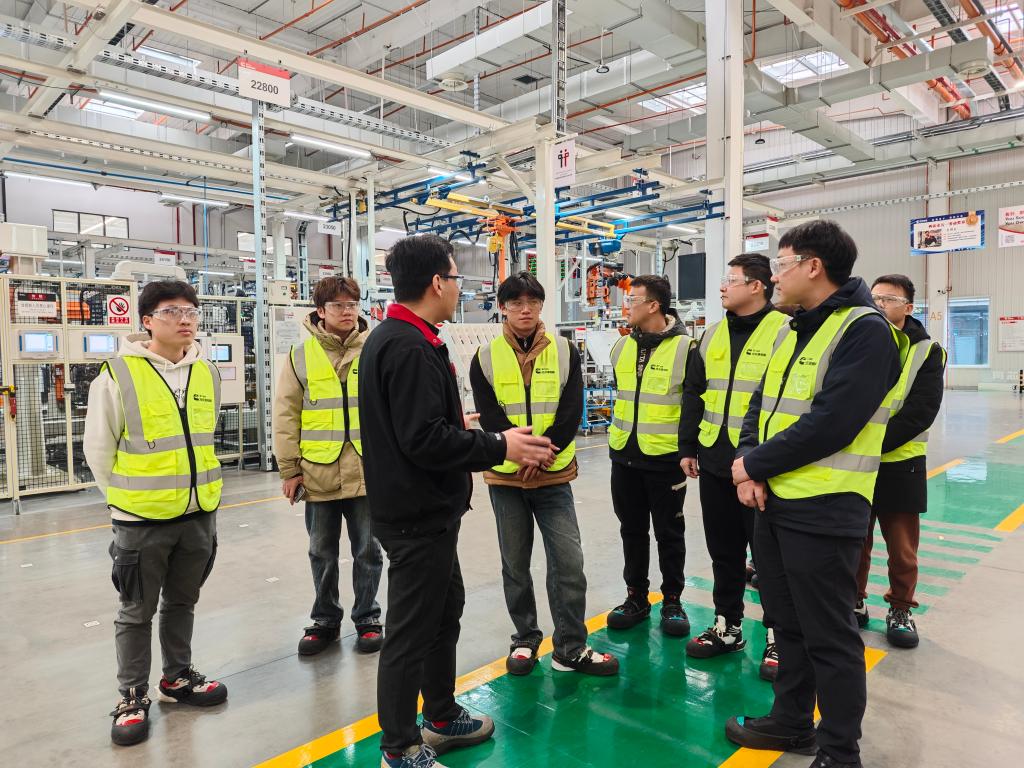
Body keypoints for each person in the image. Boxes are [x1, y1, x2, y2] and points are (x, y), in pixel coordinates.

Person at [358, 235, 554, 768]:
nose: (459, 287)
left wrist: (456, 424)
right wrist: (498, 444)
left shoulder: (405, 337)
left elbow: (412, 426)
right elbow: (422, 440)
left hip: (428, 511)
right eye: (455, 277)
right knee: (410, 633)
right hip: (416, 516)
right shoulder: (408, 346)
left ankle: (440, 714)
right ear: (436, 283)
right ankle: (400, 747)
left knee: (444, 614)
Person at [724, 220, 905, 768]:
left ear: (813, 266)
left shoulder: (865, 331)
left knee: (830, 634)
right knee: (786, 622)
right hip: (774, 501)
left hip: (826, 506)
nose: (775, 277)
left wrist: (753, 464)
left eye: (781, 265)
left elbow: (833, 423)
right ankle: (792, 722)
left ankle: (840, 751)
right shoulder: (790, 327)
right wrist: (750, 468)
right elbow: (760, 405)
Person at [85, 280, 227, 747]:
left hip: (198, 513)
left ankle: (177, 677)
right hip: (141, 519)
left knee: (182, 601)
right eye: (171, 311)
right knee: (136, 610)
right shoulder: (117, 374)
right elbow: (98, 449)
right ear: (147, 321)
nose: (185, 319)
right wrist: (125, 500)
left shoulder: (206, 371)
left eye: (191, 311)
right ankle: (131, 695)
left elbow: (203, 437)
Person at [469, 271, 619, 677]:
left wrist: (539, 455)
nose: (525, 310)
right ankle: (524, 638)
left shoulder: (565, 351)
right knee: (515, 564)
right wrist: (521, 455)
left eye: (533, 303)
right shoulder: (484, 357)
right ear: (502, 307)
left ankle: (570, 646)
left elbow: (570, 411)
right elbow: (490, 416)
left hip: (553, 475)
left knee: (568, 562)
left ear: (540, 307)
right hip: (507, 477)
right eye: (516, 303)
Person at [679, 254, 788, 680]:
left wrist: (765, 460)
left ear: (757, 286)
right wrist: (688, 446)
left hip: (761, 464)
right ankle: (728, 626)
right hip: (714, 458)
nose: (723, 287)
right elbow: (694, 392)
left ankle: (779, 636)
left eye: (731, 279)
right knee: (723, 550)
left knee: (769, 557)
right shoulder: (711, 334)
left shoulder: (786, 330)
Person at [273, 275, 384, 656]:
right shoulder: (300, 355)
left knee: (368, 549)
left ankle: (368, 617)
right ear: (320, 311)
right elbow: (286, 415)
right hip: (318, 471)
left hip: (367, 469)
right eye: (338, 305)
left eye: (352, 304)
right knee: (321, 551)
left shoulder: (375, 349)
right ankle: (325, 620)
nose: (347, 311)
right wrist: (289, 469)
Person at [855, 274, 945, 648]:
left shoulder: (927, 351)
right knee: (854, 540)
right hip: (855, 462)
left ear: (908, 307)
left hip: (900, 463)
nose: (878, 304)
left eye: (888, 299)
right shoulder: (858, 340)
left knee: (902, 549)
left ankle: (901, 608)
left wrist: (869, 443)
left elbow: (920, 412)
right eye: (874, 297)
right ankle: (853, 601)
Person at [606, 274, 695, 637]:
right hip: (623, 456)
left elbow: (693, 404)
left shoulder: (687, 349)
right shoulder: (620, 347)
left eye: (633, 300)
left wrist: (689, 450)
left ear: (654, 305)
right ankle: (636, 597)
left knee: (669, 533)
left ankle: (672, 600)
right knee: (631, 531)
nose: (626, 307)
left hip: (665, 458)